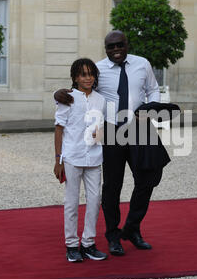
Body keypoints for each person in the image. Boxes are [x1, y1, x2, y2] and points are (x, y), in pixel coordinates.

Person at [54, 31, 171, 257]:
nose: (115, 49)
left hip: (140, 128)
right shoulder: (98, 70)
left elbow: (152, 89)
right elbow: (80, 93)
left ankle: (132, 228)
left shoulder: (142, 64)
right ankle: (113, 236)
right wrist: (57, 93)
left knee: (149, 178)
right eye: (110, 46)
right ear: (106, 48)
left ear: (127, 45)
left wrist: (152, 107)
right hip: (110, 132)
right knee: (111, 187)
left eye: (120, 45)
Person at [54, 58, 107, 262]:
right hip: (72, 157)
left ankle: (88, 243)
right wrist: (58, 160)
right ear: (75, 77)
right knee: (71, 202)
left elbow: (100, 127)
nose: (88, 78)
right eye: (83, 74)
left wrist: (98, 135)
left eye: (91, 73)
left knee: (94, 200)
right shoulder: (67, 98)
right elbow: (59, 129)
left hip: (94, 157)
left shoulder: (100, 100)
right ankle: (71, 245)